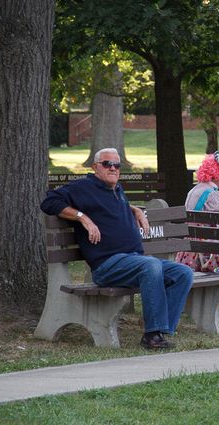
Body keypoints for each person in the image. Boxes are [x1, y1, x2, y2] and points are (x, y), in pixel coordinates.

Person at [40, 148, 193, 350]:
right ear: (95, 167)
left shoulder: (116, 189)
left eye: (116, 165)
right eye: (107, 164)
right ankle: (151, 336)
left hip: (131, 261)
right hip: (107, 265)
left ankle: (159, 328)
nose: (112, 168)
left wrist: (135, 209)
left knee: (183, 273)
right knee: (151, 265)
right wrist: (83, 218)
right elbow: (49, 202)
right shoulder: (83, 188)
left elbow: (109, 207)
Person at [176, 151, 219, 272]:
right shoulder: (215, 195)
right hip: (209, 252)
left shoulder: (193, 191)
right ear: (217, 174)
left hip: (189, 250)